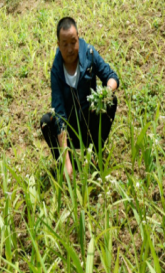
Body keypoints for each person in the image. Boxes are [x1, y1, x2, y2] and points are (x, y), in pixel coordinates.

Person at [41, 17, 120, 177]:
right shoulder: (57, 70)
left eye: (73, 42)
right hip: (70, 129)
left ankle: (96, 152)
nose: (70, 48)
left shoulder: (89, 54)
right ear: (58, 45)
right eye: (65, 44)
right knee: (47, 122)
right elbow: (59, 113)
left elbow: (111, 76)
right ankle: (67, 164)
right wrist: (66, 161)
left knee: (110, 101)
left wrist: (105, 93)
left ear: (78, 38)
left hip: (90, 121)